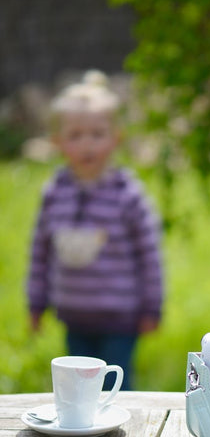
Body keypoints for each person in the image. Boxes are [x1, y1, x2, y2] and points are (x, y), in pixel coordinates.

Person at [27, 71, 163, 390]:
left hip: (120, 317)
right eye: (75, 135)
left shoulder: (127, 195)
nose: (87, 144)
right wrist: (36, 302)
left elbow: (149, 255)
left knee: (114, 385)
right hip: (73, 315)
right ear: (58, 142)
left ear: (116, 137)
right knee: (79, 388)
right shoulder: (54, 193)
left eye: (97, 134)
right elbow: (40, 252)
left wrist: (152, 306)